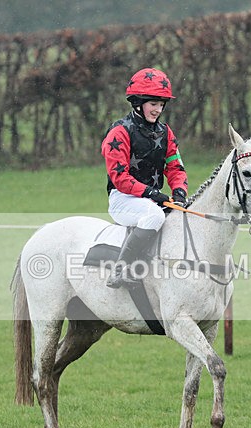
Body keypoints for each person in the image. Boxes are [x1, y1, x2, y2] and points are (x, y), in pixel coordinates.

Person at [101, 67, 188, 289]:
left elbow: (175, 167)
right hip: (123, 199)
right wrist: (152, 193)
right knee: (155, 217)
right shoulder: (119, 132)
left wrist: (179, 192)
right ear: (138, 102)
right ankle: (121, 269)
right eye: (153, 104)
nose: (158, 109)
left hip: (152, 200)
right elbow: (119, 177)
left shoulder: (165, 132)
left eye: (161, 105)